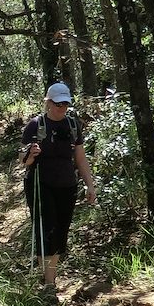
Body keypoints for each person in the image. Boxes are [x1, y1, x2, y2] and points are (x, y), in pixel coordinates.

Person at [19, 81, 97, 294]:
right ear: (48, 103)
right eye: (58, 104)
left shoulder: (72, 125)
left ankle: (48, 277)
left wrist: (90, 185)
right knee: (46, 229)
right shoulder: (36, 125)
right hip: (40, 184)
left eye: (65, 105)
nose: (62, 109)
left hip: (67, 186)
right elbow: (23, 159)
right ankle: (50, 283)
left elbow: (80, 158)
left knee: (61, 231)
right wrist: (30, 155)